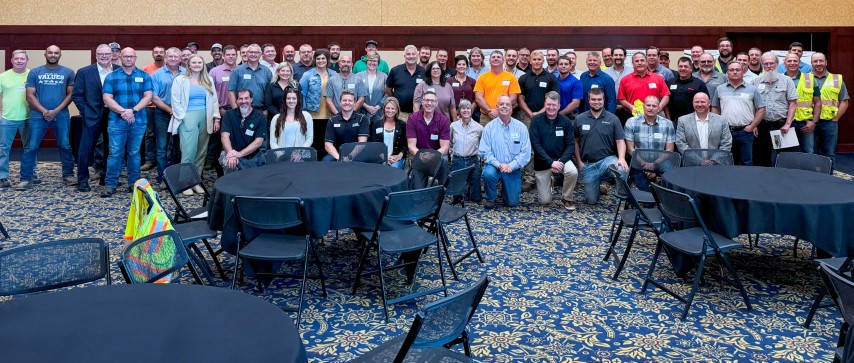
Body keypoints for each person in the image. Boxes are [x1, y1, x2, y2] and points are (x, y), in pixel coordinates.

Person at [16, 45, 76, 190]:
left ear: (60, 55)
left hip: (60, 114)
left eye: (56, 53)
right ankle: (26, 178)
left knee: (65, 145)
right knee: (31, 147)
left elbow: (71, 95)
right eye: (50, 53)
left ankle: (68, 175)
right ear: (45, 54)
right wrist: (44, 111)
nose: (53, 55)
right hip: (37, 115)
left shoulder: (68, 72)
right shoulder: (35, 72)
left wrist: (55, 111)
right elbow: (29, 95)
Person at [101, 47, 153, 197]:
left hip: (138, 120)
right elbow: (107, 98)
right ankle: (110, 184)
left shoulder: (144, 76)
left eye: (131, 56)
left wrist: (133, 111)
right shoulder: (111, 77)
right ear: (120, 57)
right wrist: (124, 112)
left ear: (135, 58)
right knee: (115, 153)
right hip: (117, 121)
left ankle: (134, 183)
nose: (128, 59)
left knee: (134, 153)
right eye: (126, 56)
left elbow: (148, 96)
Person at [169, 54, 220, 190]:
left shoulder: (208, 79)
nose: (197, 64)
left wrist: (216, 117)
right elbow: (175, 100)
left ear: (203, 64)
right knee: (188, 151)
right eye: (194, 62)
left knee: (201, 151)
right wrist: (183, 117)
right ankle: (185, 184)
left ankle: (195, 181)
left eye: (199, 62)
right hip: (187, 116)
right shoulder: (180, 80)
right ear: (189, 65)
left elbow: (214, 100)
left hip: (205, 116)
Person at [574, 88, 628, 205]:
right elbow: (575, 142)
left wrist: (622, 158)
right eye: (593, 99)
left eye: (599, 99)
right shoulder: (580, 118)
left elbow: (620, 141)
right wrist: (579, 162)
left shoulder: (613, 118)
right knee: (591, 201)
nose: (596, 102)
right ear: (589, 100)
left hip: (607, 160)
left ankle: (622, 199)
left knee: (622, 169)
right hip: (588, 165)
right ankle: (599, 186)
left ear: (603, 100)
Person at [72, 44, 113, 192]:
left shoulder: (119, 71)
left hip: (114, 115)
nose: (104, 56)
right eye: (101, 54)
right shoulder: (84, 72)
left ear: (112, 55)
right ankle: (82, 180)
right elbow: (76, 95)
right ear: (96, 55)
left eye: (107, 53)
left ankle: (106, 178)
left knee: (112, 149)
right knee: (86, 149)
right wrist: (86, 111)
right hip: (92, 115)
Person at [479, 95, 531, 209]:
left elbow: (525, 153)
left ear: (511, 109)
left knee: (512, 203)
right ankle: (490, 197)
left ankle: (505, 190)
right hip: (494, 166)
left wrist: (511, 166)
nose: (504, 106)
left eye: (507, 104)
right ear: (496, 107)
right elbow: (485, 151)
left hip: (512, 168)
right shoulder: (489, 127)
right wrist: (499, 165)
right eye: (501, 104)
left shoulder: (521, 127)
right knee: (488, 174)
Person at [529, 91, 578, 210]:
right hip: (542, 162)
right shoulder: (536, 121)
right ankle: (550, 180)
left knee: (572, 171)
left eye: (554, 105)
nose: (551, 107)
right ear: (544, 104)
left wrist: (561, 161)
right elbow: (536, 145)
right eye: (548, 104)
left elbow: (571, 145)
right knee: (544, 201)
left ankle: (567, 198)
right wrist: (551, 162)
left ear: (559, 106)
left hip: (562, 159)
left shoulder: (566, 122)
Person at [711, 61, 766, 166]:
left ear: (742, 72)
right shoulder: (720, 89)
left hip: (745, 132)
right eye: (731, 70)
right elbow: (714, 107)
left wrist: (752, 126)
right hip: (726, 132)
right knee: (726, 161)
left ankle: (745, 182)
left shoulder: (752, 89)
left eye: (737, 70)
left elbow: (762, 109)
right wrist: (718, 124)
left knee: (746, 161)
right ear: (727, 72)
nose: (734, 72)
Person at [751, 52, 797, 167]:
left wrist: (787, 124)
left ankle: (784, 183)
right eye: (766, 64)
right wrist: (754, 124)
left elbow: (793, 104)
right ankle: (764, 182)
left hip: (781, 126)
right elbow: (752, 105)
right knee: (761, 159)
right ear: (762, 65)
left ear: (777, 64)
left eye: (772, 63)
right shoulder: (755, 82)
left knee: (784, 159)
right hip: (762, 126)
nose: (769, 66)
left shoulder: (787, 81)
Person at [624, 96, 676, 191]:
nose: (650, 108)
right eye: (648, 105)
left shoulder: (667, 124)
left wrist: (654, 165)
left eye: (654, 106)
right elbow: (630, 150)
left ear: (659, 108)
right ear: (643, 106)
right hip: (640, 162)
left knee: (669, 185)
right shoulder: (631, 122)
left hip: (661, 161)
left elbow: (669, 150)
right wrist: (645, 165)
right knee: (646, 199)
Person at [150, 47, 185, 187]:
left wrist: (178, 112)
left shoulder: (187, 73)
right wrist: (170, 110)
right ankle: (163, 177)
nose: (173, 58)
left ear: (181, 59)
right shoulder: (157, 75)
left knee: (178, 146)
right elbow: (154, 97)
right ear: (165, 57)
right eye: (170, 56)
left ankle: (175, 177)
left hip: (182, 114)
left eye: (176, 56)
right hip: (162, 114)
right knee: (162, 146)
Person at [406, 90, 451, 188]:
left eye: (432, 101)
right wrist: (422, 156)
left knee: (443, 161)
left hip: (437, 156)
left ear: (436, 103)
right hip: (418, 155)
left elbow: (445, 148)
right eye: (426, 100)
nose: (429, 103)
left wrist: (431, 157)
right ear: (422, 102)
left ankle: (441, 191)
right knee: (418, 191)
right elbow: (411, 146)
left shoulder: (443, 120)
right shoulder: (412, 118)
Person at [0, 50, 31, 189]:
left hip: (28, 118)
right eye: (16, 58)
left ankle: (31, 173)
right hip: (8, 118)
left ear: (27, 60)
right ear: (12, 60)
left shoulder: (32, 75)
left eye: (22, 58)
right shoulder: (3, 77)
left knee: (30, 148)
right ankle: (2, 176)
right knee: (3, 148)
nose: (19, 61)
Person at [811, 52, 849, 164]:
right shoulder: (805, 79)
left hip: (829, 123)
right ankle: (811, 179)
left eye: (821, 61)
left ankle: (828, 179)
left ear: (826, 62)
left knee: (829, 154)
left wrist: (835, 119)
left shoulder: (836, 79)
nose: (818, 63)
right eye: (815, 61)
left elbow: (844, 102)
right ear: (811, 63)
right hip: (809, 122)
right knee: (810, 153)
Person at [208, 44, 238, 177]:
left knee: (236, 141)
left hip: (239, 112)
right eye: (228, 54)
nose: (231, 57)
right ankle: (219, 175)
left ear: (236, 56)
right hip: (221, 111)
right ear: (223, 56)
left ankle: (235, 172)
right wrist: (218, 110)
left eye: (233, 54)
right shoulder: (214, 72)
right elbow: (209, 93)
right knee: (218, 143)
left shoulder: (241, 70)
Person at [220, 89, 266, 173]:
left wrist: (240, 154)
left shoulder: (260, 116)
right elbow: (224, 136)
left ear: (251, 99)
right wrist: (231, 154)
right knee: (230, 164)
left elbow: (259, 141)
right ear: (236, 101)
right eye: (240, 99)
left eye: (246, 98)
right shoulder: (229, 114)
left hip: (253, 155)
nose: (243, 101)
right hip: (231, 153)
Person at [474, 50, 521, 125]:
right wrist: (490, 111)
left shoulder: (511, 78)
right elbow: (478, 98)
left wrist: (498, 111)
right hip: (486, 117)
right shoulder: (482, 78)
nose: (496, 59)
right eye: (493, 57)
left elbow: (513, 98)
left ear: (503, 60)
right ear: (489, 61)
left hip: (505, 116)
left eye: (498, 57)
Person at [449, 100, 483, 202]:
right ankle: (462, 191)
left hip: (473, 160)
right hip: (458, 159)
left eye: (468, 108)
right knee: (457, 198)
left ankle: (470, 190)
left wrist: (479, 158)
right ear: (459, 110)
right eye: (463, 108)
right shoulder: (453, 126)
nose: (465, 110)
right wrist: (452, 155)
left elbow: (482, 145)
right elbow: (450, 143)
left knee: (476, 198)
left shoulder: (479, 128)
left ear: (471, 110)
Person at [617, 52, 670, 118]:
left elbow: (666, 95)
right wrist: (630, 107)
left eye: (642, 60)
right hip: (633, 116)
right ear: (632, 64)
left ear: (647, 62)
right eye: (637, 61)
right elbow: (621, 98)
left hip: (654, 115)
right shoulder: (625, 79)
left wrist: (660, 106)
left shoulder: (658, 78)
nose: (640, 63)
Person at [322, 90, 369, 161]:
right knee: (326, 161)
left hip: (357, 154)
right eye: (344, 100)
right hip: (337, 153)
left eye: (350, 100)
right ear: (340, 102)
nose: (347, 103)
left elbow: (361, 143)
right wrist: (339, 158)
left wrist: (350, 157)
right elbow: (328, 144)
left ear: (354, 103)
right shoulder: (332, 120)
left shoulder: (362, 118)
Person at [518, 51, 559, 125]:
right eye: (534, 59)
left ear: (543, 61)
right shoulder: (523, 78)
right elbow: (520, 98)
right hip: (528, 117)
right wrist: (530, 113)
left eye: (539, 59)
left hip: (547, 116)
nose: (537, 62)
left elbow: (555, 98)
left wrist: (540, 113)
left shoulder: (551, 78)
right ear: (530, 61)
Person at [228, 44, 272, 111]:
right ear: (246, 54)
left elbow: (270, 93)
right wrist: (235, 110)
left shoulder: (267, 71)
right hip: (241, 109)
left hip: (261, 110)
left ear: (260, 54)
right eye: (251, 52)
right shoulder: (237, 71)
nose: (253, 54)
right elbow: (231, 91)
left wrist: (266, 110)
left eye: (256, 52)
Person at [141, 46, 165, 172]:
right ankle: (149, 160)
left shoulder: (169, 68)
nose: (159, 54)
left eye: (161, 52)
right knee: (149, 134)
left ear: (164, 54)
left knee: (165, 135)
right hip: (149, 107)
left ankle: (165, 159)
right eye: (156, 52)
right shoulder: (146, 69)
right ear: (153, 54)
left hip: (165, 108)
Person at [385, 45, 425, 121]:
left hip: (419, 113)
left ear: (417, 56)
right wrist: (395, 98)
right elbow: (387, 89)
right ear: (404, 56)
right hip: (401, 114)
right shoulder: (395, 70)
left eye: (413, 54)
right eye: (408, 54)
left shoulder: (424, 71)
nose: (411, 56)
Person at [666, 56, 709, 123]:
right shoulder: (670, 82)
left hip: (693, 122)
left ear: (691, 68)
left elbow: (706, 104)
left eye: (685, 66)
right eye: (680, 66)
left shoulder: (699, 84)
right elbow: (666, 103)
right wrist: (669, 119)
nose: (682, 68)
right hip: (674, 121)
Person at [300, 49, 338, 122]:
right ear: (314, 60)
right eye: (318, 59)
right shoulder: (307, 75)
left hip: (331, 113)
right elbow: (302, 94)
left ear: (327, 60)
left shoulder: (334, 74)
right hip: (312, 114)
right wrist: (303, 112)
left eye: (323, 58)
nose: (321, 61)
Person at [369, 97, 406, 169]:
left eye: (393, 108)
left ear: (397, 110)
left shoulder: (402, 125)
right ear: (384, 109)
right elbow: (372, 144)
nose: (390, 110)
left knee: (394, 169)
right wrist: (384, 158)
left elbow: (405, 145)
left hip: (395, 159)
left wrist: (399, 156)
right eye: (388, 108)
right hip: (379, 157)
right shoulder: (375, 123)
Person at [355, 52, 388, 125]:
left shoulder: (384, 76)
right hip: (362, 112)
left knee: (377, 134)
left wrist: (378, 106)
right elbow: (355, 94)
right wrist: (366, 107)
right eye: (370, 60)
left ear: (378, 63)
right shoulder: (358, 76)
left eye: (375, 61)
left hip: (379, 112)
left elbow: (387, 94)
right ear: (366, 62)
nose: (372, 63)